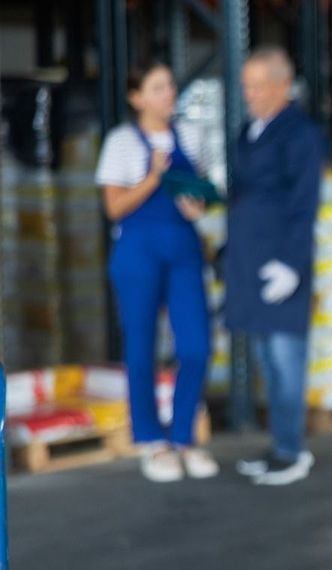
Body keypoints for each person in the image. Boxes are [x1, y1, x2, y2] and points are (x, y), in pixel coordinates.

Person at [96, 60, 218, 483]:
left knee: (197, 345)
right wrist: (152, 178)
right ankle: (151, 439)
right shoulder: (121, 143)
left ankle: (183, 435)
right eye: (158, 87)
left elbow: (198, 194)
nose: (168, 94)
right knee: (140, 348)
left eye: (170, 86)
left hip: (183, 249)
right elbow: (113, 207)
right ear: (137, 97)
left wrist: (196, 205)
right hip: (137, 253)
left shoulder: (192, 137)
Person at [225, 47, 324, 486]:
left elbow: (304, 205)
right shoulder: (250, 130)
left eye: (258, 85)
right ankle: (279, 444)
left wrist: (290, 264)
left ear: (282, 85)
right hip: (250, 261)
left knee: (287, 362)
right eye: (246, 85)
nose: (249, 93)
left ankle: (293, 452)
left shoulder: (299, 134)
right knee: (267, 360)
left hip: (282, 265)